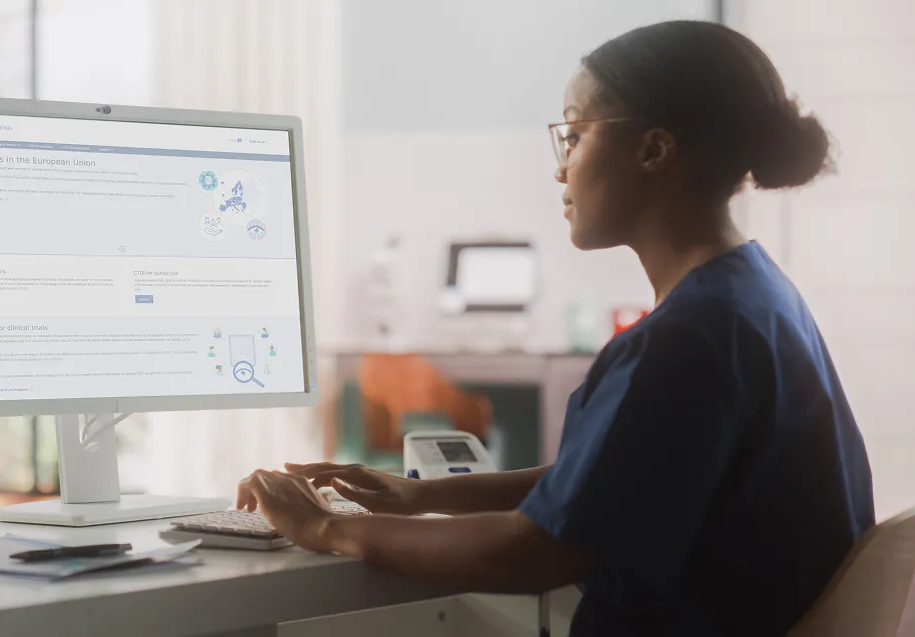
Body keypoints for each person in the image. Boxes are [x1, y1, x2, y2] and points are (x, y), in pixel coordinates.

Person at [236, 21, 874, 637]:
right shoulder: (753, 296)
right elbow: (617, 482)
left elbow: (535, 551)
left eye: (574, 136)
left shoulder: (687, 338)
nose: (560, 168)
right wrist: (415, 497)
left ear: (653, 149)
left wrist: (324, 529)